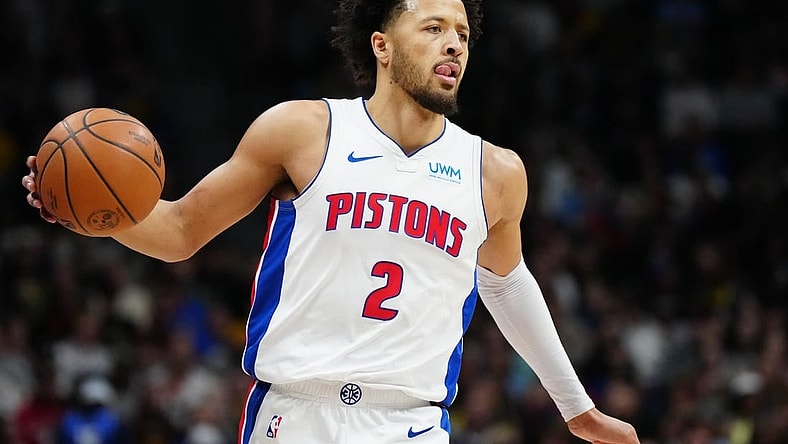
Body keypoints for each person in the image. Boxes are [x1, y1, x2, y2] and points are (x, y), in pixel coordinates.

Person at [22, 0, 640, 442]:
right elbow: (182, 230)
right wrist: (91, 217)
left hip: (411, 423)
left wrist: (575, 407)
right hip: (295, 413)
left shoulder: (496, 172)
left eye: (462, 33)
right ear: (382, 44)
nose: (455, 43)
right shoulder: (302, 130)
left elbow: (506, 283)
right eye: (433, 27)